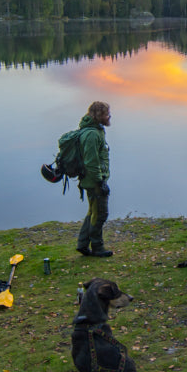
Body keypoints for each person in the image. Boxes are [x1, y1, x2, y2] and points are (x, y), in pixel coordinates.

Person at [76, 101, 113, 257]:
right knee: (100, 214)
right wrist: (100, 181)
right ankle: (97, 248)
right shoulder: (91, 134)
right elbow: (91, 162)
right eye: (106, 113)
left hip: (92, 180)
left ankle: (82, 244)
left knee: (93, 212)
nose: (109, 116)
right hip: (94, 182)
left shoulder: (96, 130)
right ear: (98, 116)